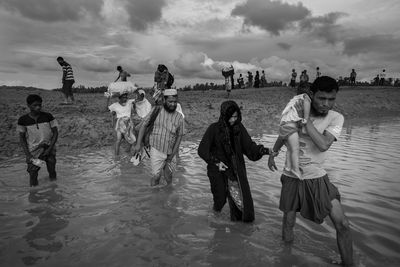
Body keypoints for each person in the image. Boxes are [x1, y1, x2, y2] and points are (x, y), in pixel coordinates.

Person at [268, 76, 353, 266]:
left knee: (343, 224)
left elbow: (323, 145)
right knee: (288, 222)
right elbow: (284, 134)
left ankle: (350, 264)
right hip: (291, 174)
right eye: (322, 98)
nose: (326, 104)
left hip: (317, 178)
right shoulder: (295, 109)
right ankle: (286, 258)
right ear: (312, 95)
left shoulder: (336, 118)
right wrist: (273, 153)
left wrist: (305, 121)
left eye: (331, 99)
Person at [198, 100, 273, 222]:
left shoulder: (239, 129)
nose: (233, 120)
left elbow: (249, 147)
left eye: (236, 116)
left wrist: (265, 151)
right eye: (231, 117)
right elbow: (202, 150)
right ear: (224, 116)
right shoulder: (213, 129)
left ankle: (238, 232)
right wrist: (217, 163)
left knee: (242, 208)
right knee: (220, 200)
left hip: (235, 172)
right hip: (217, 171)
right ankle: (215, 216)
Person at [133, 89, 184, 186]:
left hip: (170, 151)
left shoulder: (179, 117)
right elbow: (143, 125)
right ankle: (154, 196)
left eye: (175, 102)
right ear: (164, 101)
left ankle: (168, 196)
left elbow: (179, 137)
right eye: (170, 102)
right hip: (156, 149)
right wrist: (138, 144)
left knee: (169, 177)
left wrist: (172, 155)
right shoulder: (156, 111)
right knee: (156, 176)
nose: (173, 104)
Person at [17, 94, 58, 187]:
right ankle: (33, 193)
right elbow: (22, 138)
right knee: (33, 173)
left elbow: (55, 133)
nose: (38, 107)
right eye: (35, 105)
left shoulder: (48, 116)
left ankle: (53, 188)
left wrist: (49, 149)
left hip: (49, 148)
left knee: (52, 170)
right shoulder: (23, 120)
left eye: (40, 105)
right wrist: (28, 154)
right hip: (35, 151)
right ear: (28, 105)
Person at [274, 87, 312, 179]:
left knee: (290, 149)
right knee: (295, 149)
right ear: (310, 92)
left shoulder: (294, 99)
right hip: (290, 127)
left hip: (284, 125)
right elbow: (306, 106)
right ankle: (295, 169)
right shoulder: (305, 97)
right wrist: (306, 119)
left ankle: (288, 167)